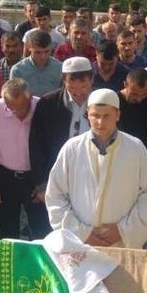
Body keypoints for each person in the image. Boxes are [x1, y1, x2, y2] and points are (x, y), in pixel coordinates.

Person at [46, 89, 147, 248]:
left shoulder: (135, 148)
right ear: (87, 115)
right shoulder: (72, 149)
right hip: (81, 244)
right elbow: (55, 196)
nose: (100, 122)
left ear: (117, 115)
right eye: (95, 116)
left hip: (120, 243)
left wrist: (122, 231)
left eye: (106, 116)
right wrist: (82, 233)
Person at [0, 79, 49, 241]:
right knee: (6, 232)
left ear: (31, 97)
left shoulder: (42, 106)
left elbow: (51, 147)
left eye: (23, 109)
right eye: (12, 110)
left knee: (42, 231)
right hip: (5, 178)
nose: (19, 114)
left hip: (35, 179)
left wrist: (45, 182)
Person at [29, 57, 94, 211]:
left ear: (91, 80)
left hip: (93, 177)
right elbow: (36, 145)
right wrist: (41, 184)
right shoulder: (48, 103)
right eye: (72, 86)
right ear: (64, 80)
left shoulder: (103, 101)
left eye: (83, 86)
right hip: (59, 178)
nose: (78, 92)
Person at [117, 69, 147, 156]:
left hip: (146, 153)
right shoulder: (115, 101)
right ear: (125, 85)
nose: (139, 99)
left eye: (144, 94)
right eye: (134, 94)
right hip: (120, 153)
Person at [9, 30, 62, 97]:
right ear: (28, 48)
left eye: (46, 51)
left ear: (51, 47)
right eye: (38, 52)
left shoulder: (60, 68)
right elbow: (15, 97)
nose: (43, 57)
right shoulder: (18, 70)